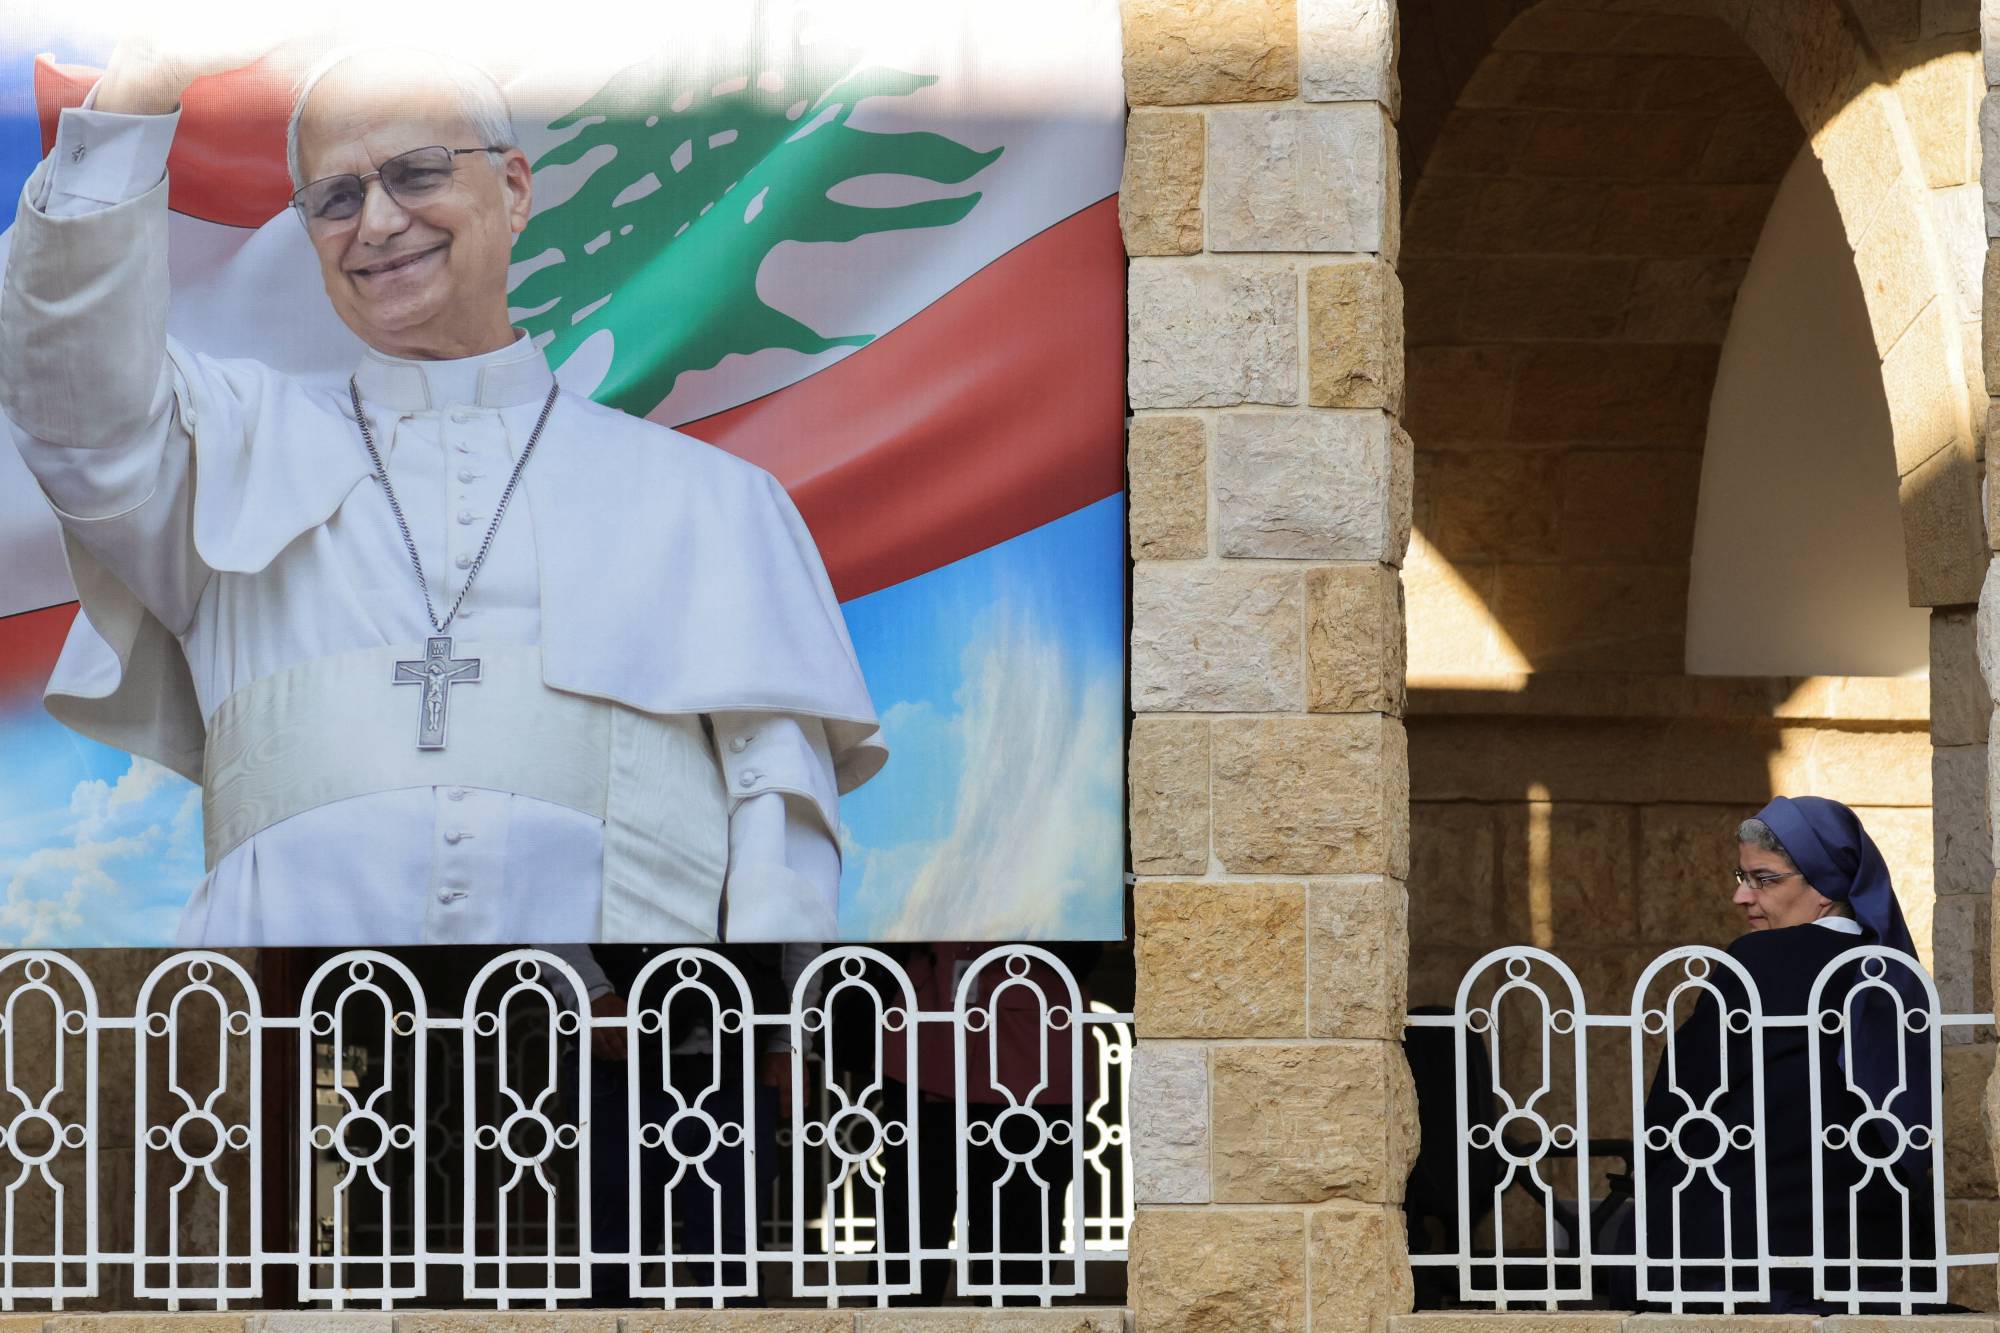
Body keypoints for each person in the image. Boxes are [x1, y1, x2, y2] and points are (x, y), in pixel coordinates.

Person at [0, 38, 885, 945]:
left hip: (622, 1029)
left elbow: (776, 819)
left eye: (416, 173)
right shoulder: (224, 453)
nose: (378, 223)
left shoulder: (715, 505)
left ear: (515, 189)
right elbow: (68, 385)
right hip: (290, 1027)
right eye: (335, 198)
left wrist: (755, 1019)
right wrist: (140, 87)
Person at [1624, 796, 1941, 1314]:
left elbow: (1679, 1099)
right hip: (1872, 1240)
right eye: (1741, 876)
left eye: (1763, 879)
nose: (1740, 896)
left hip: (1747, 1241)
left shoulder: (1755, 961)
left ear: (1825, 886)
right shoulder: (1891, 972)